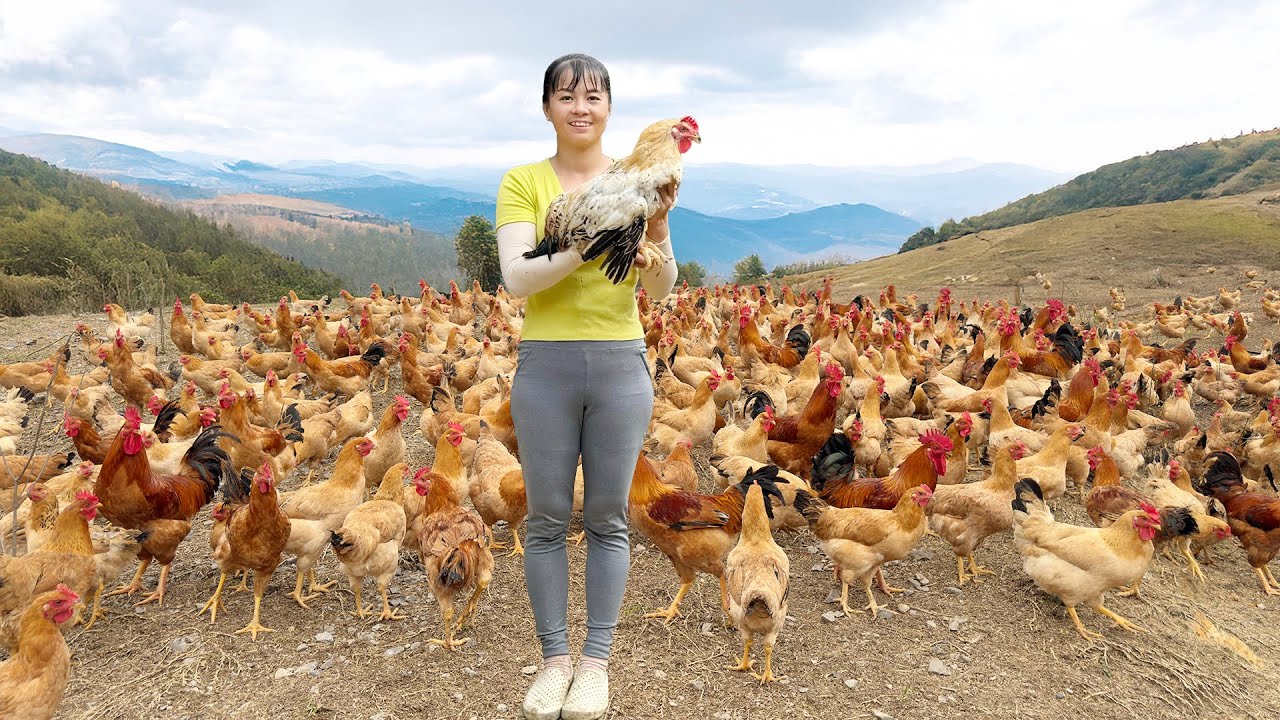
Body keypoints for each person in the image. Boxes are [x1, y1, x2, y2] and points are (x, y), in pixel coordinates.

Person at [495, 52, 679, 720]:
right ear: (547, 107)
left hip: (620, 366)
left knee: (606, 517)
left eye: (594, 95)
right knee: (544, 517)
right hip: (545, 366)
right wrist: (590, 241)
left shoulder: (639, 181)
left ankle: (595, 663)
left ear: (609, 109)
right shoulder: (523, 182)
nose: (581, 106)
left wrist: (655, 230)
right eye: (567, 95)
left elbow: (661, 287)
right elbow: (518, 277)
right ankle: (553, 661)